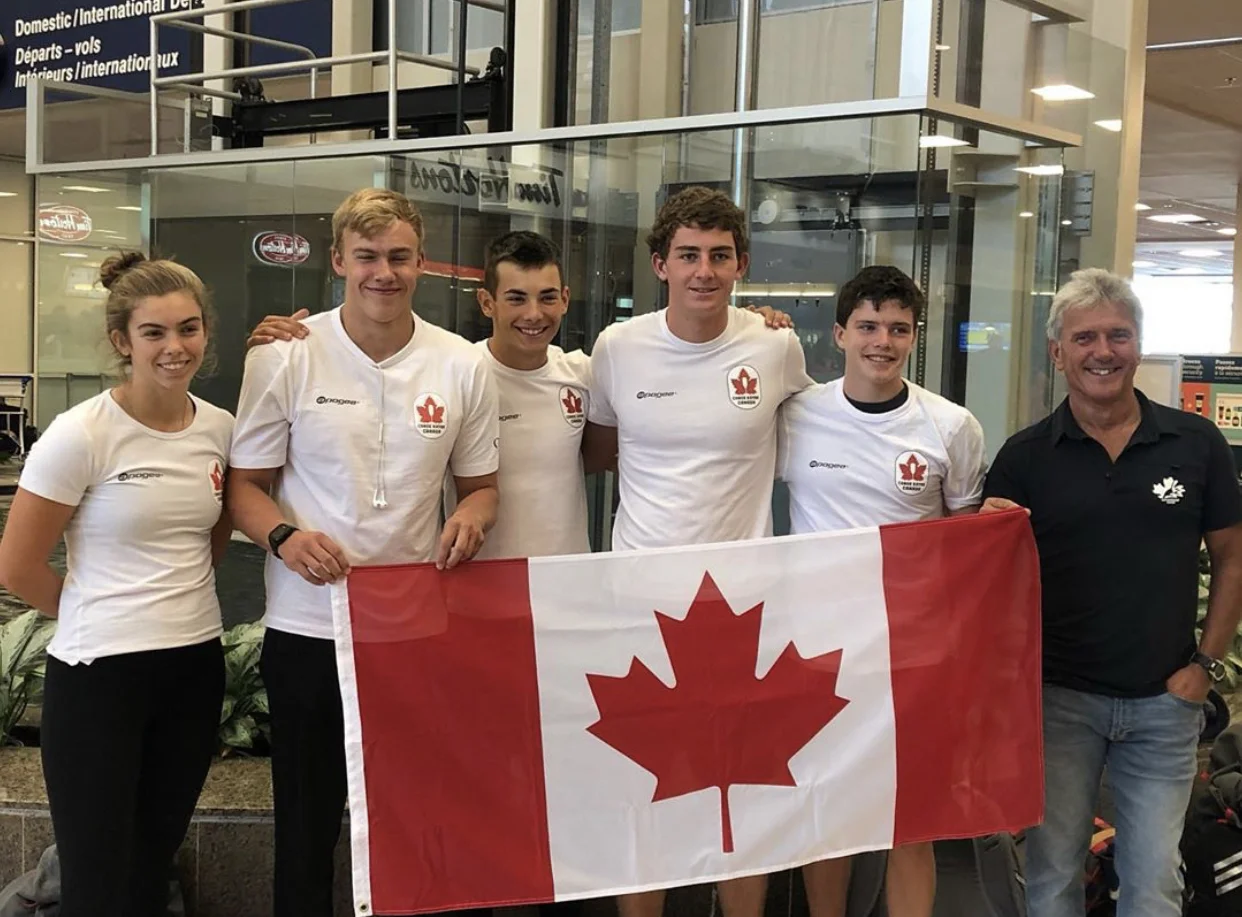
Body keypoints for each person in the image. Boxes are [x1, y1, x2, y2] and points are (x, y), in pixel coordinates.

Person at [226, 188, 500, 917]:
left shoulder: (462, 363)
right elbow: (243, 489)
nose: (385, 272)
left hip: (412, 629)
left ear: (423, 263)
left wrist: (471, 519)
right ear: (339, 259)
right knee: (306, 823)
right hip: (309, 626)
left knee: (413, 818)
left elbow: (481, 488)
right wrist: (284, 536)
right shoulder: (285, 355)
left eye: (401, 257)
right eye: (369, 257)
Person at [582, 185, 814, 917]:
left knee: (742, 792)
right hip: (642, 602)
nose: (704, 270)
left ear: (741, 263)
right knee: (645, 791)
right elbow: (596, 448)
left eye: (719, 255)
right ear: (661, 264)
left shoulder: (776, 344)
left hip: (744, 605)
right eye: (688, 255)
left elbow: (819, 435)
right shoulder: (618, 348)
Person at [983, 268, 1242, 917]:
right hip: (1058, 705)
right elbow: (989, 576)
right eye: (1086, 337)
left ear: (1138, 342)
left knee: (1154, 881)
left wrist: (1204, 666)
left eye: (1118, 335)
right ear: (1058, 351)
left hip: (1165, 705)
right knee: (1052, 876)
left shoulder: (1195, 444)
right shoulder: (1025, 457)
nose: (1103, 350)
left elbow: (1233, 557)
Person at [0, 253, 233, 917]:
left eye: (188, 329)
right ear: (121, 341)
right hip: (99, 676)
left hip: (192, 669)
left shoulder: (219, 429)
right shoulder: (82, 434)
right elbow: (16, 566)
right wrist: (93, 613)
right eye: (154, 332)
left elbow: (208, 544)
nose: (174, 347)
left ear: (205, 334)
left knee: (149, 868)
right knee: (96, 881)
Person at [775, 264, 1009, 917]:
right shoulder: (797, 415)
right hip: (816, 649)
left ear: (914, 336)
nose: (883, 340)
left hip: (912, 654)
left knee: (913, 821)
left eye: (899, 328)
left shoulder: (951, 426)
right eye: (870, 326)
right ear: (840, 332)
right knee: (827, 816)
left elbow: (964, 544)